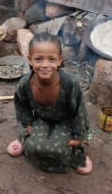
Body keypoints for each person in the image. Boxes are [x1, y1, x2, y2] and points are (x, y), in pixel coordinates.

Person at [7, 33, 93, 175]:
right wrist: (28, 124)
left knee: (57, 150)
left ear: (60, 60)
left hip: (65, 122)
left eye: (52, 59)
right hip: (41, 118)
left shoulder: (70, 83)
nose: (45, 65)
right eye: (39, 59)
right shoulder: (25, 83)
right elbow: (21, 104)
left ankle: (77, 153)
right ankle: (23, 138)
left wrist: (78, 138)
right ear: (30, 60)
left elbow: (79, 111)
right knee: (35, 147)